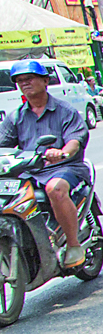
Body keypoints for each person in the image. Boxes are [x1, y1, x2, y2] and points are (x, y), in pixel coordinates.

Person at [1, 60, 89, 267]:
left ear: (45, 80)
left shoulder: (64, 110)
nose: (25, 83)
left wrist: (62, 152)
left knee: (55, 189)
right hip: (28, 171)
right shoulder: (16, 116)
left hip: (64, 168)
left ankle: (73, 245)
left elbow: (75, 141)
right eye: (20, 81)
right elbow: (3, 144)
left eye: (29, 78)